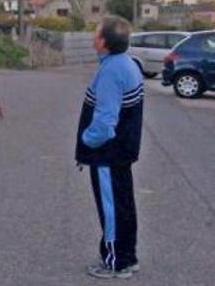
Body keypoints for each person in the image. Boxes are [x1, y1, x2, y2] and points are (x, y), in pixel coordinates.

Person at [75, 16, 144, 279]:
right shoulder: (127, 63)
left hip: (108, 154)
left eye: (96, 33)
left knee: (112, 208)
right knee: (122, 204)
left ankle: (117, 262)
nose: (93, 37)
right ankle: (128, 256)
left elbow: (104, 123)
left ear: (104, 42)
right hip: (121, 153)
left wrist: (86, 140)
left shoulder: (111, 71)